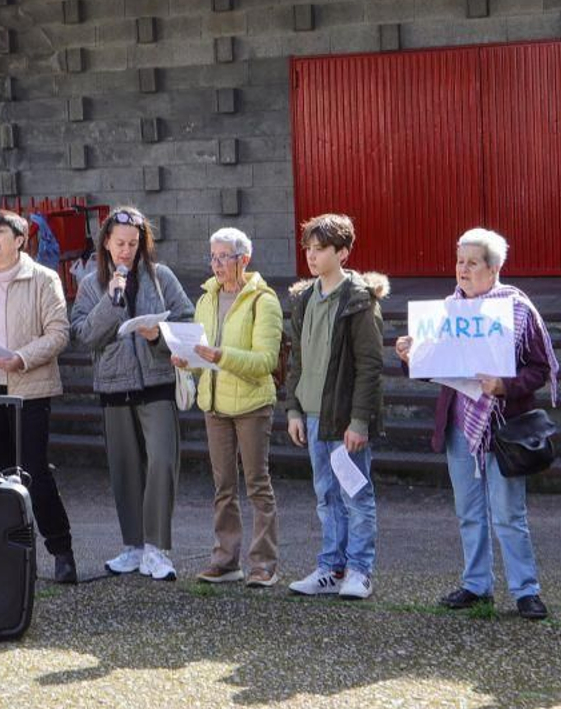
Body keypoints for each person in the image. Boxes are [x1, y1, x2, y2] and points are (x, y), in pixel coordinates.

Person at [395, 227, 558, 620]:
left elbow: (540, 368)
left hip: (504, 427)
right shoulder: (444, 312)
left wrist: (506, 385)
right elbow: (432, 368)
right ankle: (476, 585)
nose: (462, 269)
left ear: (494, 268)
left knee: (508, 512)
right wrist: (410, 355)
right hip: (459, 426)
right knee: (469, 510)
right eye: (459, 261)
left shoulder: (517, 308)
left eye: (471, 262)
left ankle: (525, 590)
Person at [70, 206, 194, 581]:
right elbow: (83, 335)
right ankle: (133, 546)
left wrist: (159, 336)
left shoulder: (161, 278)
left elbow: (187, 320)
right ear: (106, 242)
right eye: (120, 243)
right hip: (114, 386)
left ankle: (157, 549)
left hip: (157, 384)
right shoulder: (91, 284)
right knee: (124, 469)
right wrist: (110, 302)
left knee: (161, 461)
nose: (127, 250)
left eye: (134, 243)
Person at [0, 210, 77, 584]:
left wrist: (22, 357)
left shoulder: (43, 279)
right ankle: (8, 555)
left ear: (20, 239)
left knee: (32, 470)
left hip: (28, 386)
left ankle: (61, 549)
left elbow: (59, 333)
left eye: (0, 233)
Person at [281, 214, 387, 601]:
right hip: (311, 416)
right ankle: (331, 568)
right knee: (326, 497)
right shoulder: (304, 298)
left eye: (321, 248)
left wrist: (359, 421)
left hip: (344, 419)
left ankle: (359, 571)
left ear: (342, 252)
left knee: (356, 497)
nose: (312, 255)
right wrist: (292, 409)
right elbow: (297, 361)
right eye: (308, 247)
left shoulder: (359, 300)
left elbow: (370, 365)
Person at [180, 228, 284, 589]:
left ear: (245, 259)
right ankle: (226, 561)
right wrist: (187, 360)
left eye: (224, 256)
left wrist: (221, 357)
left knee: (257, 484)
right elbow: (202, 353)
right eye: (213, 256)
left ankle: (264, 564)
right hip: (214, 403)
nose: (217, 264)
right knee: (223, 486)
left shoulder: (263, 300)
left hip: (252, 403)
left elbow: (266, 360)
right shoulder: (207, 298)